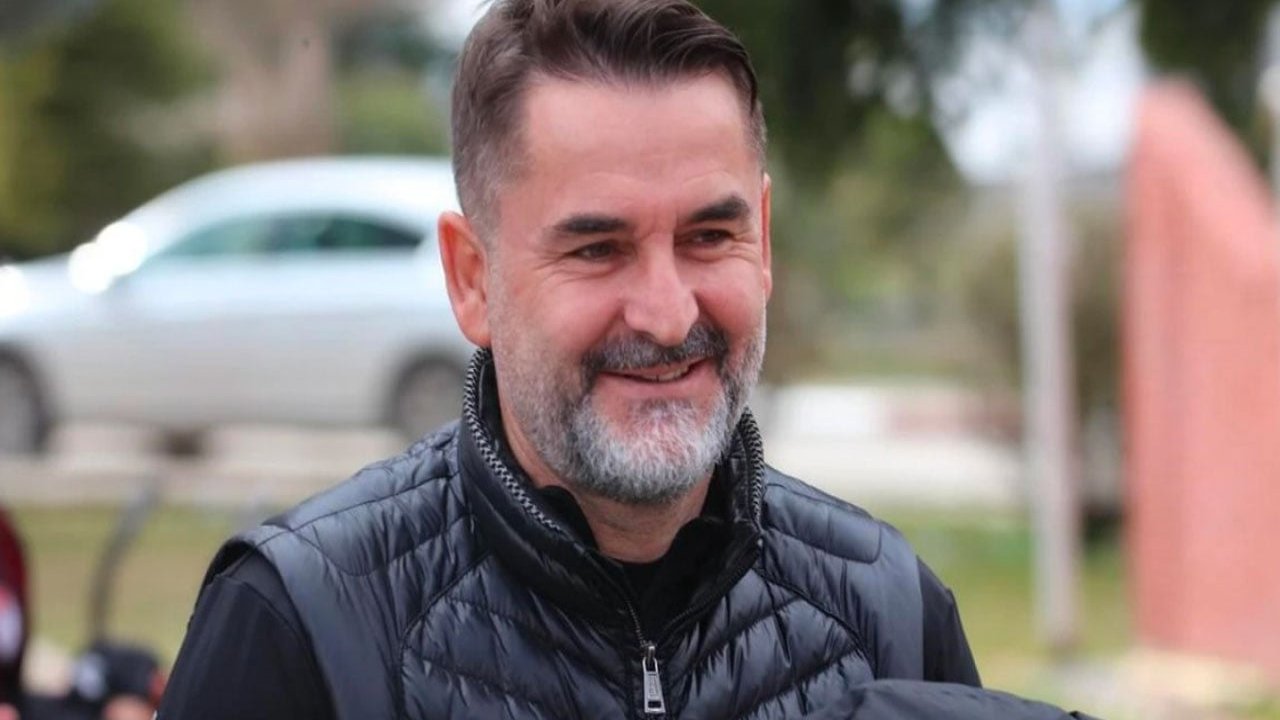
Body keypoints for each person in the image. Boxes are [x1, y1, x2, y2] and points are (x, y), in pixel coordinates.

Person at [158, 1, 985, 718]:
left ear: (762, 242)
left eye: (708, 236)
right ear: (472, 278)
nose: (668, 314)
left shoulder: (891, 617)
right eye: (597, 249)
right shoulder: (302, 626)